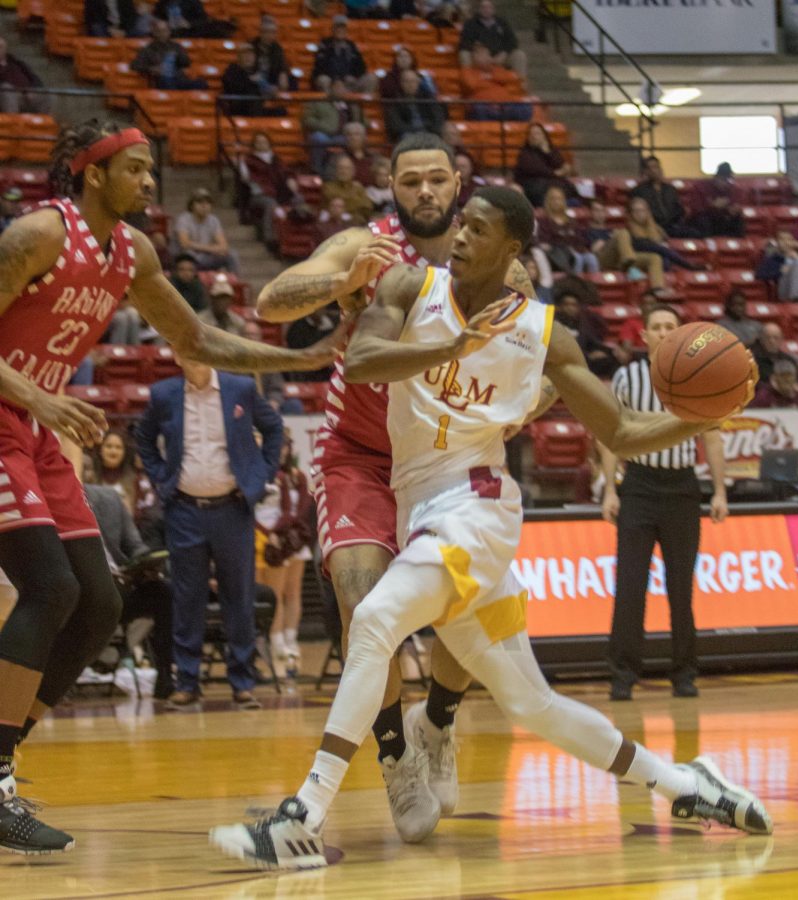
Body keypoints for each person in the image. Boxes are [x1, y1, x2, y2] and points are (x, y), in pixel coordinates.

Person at [210, 186, 770, 870]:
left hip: (475, 508)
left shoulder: (543, 334)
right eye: (461, 225)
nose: (462, 235)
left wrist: (702, 418)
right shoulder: (412, 286)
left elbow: (621, 433)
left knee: (378, 619)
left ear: (512, 251)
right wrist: (449, 343)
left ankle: (303, 815)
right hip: (420, 504)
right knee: (532, 705)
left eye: (479, 228)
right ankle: (686, 783)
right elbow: (359, 362)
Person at [0, 116, 344, 853]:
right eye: (137, 169)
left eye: (152, 169)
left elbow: (196, 340)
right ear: (94, 174)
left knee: (99, 601)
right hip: (7, 417)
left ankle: (1, 753)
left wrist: (303, 357)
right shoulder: (36, 235)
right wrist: (37, 397)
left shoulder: (133, 251)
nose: (151, 182)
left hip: (34, 429)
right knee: (51, 588)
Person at [252, 133, 536, 844]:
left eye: (437, 179)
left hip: (447, 459)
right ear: (391, 185)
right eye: (410, 182)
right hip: (359, 453)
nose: (425, 194)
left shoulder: (499, 263)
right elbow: (271, 301)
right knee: (361, 602)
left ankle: (437, 722)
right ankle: (393, 756)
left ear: (459, 180)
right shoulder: (364, 245)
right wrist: (340, 284)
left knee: (461, 607)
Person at [136, 353, 284, 709]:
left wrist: (260, 476)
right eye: (183, 348)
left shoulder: (241, 388)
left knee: (239, 597)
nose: (192, 355)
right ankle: (187, 682)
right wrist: (160, 478)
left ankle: (243, 682)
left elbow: (274, 427)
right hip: (184, 510)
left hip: (233, 509)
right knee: (187, 600)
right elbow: (143, 439)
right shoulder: (163, 394)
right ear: (177, 355)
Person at [600, 304, 729, 701]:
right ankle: (623, 676)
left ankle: (684, 674)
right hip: (638, 486)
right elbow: (608, 432)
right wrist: (609, 488)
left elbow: (711, 437)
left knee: (680, 588)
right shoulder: (627, 376)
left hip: (682, 489)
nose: (661, 332)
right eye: (655, 326)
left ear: (679, 334)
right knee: (630, 586)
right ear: (645, 336)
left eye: (669, 327)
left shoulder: (699, 378)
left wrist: (720, 490)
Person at [83, 481, 174, 699]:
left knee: (162, 593)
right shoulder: (50, 497)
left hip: (119, 583)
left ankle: (166, 678)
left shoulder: (109, 498)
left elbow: (135, 545)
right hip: (80, 590)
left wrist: (147, 563)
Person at [256, 431, 314, 677]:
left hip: (289, 539)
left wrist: (281, 531)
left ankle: (290, 640)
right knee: (271, 593)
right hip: (261, 537)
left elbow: (300, 509)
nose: (281, 450)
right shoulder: (258, 472)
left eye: (284, 446)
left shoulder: (297, 476)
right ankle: (274, 640)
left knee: (291, 592)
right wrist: (265, 532)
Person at [238, 132, 300, 250]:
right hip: (259, 194)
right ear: (254, 144)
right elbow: (246, 179)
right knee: (271, 204)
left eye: (264, 141)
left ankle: (296, 235)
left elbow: (287, 172)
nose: (261, 144)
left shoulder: (276, 159)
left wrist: (291, 179)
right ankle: (270, 237)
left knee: (298, 198)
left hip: (280, 191)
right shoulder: (248, 161)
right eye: (258, 142)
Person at [173, 187, 240, 274]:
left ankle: (234, 283)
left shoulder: (213, 220)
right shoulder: (184, 219)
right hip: (188, 257)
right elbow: (185, 243)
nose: (204, 206)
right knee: (189, 254)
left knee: (232, 254)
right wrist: (213, 248)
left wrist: (202, 248)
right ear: (192, 205)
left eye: (208, 203)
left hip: (206, 256)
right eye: (200, 202)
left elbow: (224, 246)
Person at [130, 19, 208, 91]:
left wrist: (179, 57)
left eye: (164, 31)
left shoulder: (176, 46)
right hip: (162, 79)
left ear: (169, 32)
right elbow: (135, 65)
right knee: (166, 80)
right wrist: (151, 69)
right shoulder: (147, 49)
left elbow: (186, 63)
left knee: (201, 83)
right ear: (154, 33)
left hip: (178, 78)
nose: (162, 34)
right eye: (159, 31)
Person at [460, 43, 530, 122]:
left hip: (504, 107)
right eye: (480, 54)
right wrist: (494, 80)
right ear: (473, 57)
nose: (484, 57)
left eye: (486, 54)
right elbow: (471, 85)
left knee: (525, 107)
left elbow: (511, 78)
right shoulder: (468, 71)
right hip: (484, 108)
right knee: (479, 108)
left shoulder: (496, 69)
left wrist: (488, 77)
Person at [458, 0, 527, 80]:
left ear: (493, 9)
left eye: (489, 7)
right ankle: (469, 82)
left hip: (500, 56)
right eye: (483, 7)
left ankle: (521, 84)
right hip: (479, 56)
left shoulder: (502, 23)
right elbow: (464, 42)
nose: (486, 10)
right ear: (479, 9)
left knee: (519, 55)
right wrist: (477, 51)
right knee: (464, 54)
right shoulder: (470, 24)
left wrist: (504, 53)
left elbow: (513, 41)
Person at [539, 184, 599, 275]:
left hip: (576, 251)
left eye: (559, 199)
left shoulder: (571, 221)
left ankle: (595, 285)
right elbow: (546, 243)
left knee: (591, 258)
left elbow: (580, 239)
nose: (556, 202)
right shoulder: (544, 221)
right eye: (553, 199)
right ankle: (575, 284)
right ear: (548, 201)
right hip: (558, 255)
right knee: (577, 258)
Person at [630, 156, 695, 238]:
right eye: (651, 168)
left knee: (694, 232)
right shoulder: (639, 191)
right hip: (653, 227)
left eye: (656, 167)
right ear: (645, 171)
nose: (654, 171)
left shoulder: (671, 189)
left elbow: (678, 210)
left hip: (673, 226)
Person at [311, 15, 377, 94]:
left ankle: (362, 104)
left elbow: (361, 67)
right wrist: (336, 79)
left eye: (343, 28)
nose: (340, 30)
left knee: (371, 78)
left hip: (349, 82)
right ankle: (331, 105)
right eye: (338, 28)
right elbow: (320, 67)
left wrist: (353, 77)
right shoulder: (325, 44)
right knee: (323, 79)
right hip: (331, 81)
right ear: (333, 29)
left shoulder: (351, 45)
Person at [513, 122, 572, 209]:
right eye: (531, 134)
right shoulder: (525, 154)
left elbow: (562, 166)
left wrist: (547, 152)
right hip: (533, 186)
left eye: (537, 133)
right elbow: (535, 169)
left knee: (567, 187)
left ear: (544, 136)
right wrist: (555, 174)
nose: (534, 136)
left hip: (552, 184)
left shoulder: (551, 151)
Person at [383, 69, 446, 143]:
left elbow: (438, 117)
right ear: (401, 83)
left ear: (418, 82)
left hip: (429, 132)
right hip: (407, 135)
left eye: (413, 81)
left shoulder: (428, 98)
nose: (410, 85)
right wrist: (416, 130)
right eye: (407, 81)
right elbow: (396, 125)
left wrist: (430, 129)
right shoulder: (394, 101)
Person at [91, 428, 139, 515]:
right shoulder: (90, 477)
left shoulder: (135, 480)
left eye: (118, 447)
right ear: (100, 450)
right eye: (108, 446)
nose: (113, 451)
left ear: (124, 452)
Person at [0, 35, 49, 113]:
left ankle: (45, 123)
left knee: (49, 95)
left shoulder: (16, 62)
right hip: (9, 95)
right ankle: (11, 123)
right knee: (7, 88)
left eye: (2, 47)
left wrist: (32, 89)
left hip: (29, 94)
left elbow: (34, 78)